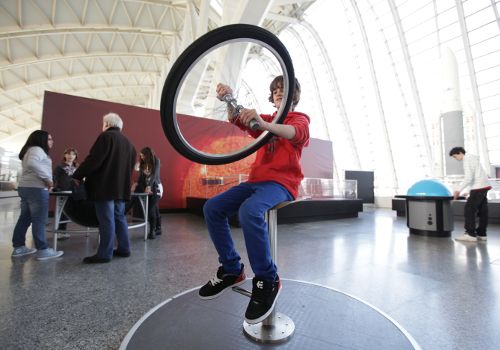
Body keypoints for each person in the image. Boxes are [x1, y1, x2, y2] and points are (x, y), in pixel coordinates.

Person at [198, 76, 310, 324]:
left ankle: (267, 279)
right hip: (255, 182)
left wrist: (263, 124)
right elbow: (237, 118)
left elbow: (295, 133)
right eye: (275, 90)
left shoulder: (298, 119)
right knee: (212, 208)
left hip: (282, 184)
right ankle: (231, 269)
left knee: (250, 211)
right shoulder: (266, 119)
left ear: (294, 96)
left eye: (284, 89)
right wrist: (228, 98)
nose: (279, 92)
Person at [73, 113, 137, 263]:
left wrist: (77, 175)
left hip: (104, 187)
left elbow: (93, 160)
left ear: (107, 124)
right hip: (121, 189)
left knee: (106, 220)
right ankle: (124, 248)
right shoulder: (130, 144)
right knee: (119, 218)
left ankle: (104, 254)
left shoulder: (105, 137)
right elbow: (130, 168)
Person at [11, 130, 64, 260]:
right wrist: (47, 179)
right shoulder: (37, 149)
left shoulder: (30, 150)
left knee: (25, 218)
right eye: (49, 139)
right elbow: (32, 164)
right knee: (39, 220)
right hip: (36, 188)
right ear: (41, 140)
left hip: (26, 187)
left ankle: (19, 248)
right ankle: (43, 250)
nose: (52, 141)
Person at [449, 147, 491, 242]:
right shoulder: (473, 158)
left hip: (478, 187)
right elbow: (476, 175)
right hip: (484, 186)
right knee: (483, 211)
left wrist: (458, 190)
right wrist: (469, 190)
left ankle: (470, 234)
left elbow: (468, 177)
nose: (456, 159)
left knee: (469, 209)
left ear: (460, 153)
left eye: (455, 156)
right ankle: (482, 234)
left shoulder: (466, 159)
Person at [131, 147, 162, 239]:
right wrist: (136, 184)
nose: (141, 157)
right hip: (146, 189)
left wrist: (149, 186)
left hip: (156, 187)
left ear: (147, 154)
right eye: (140, 156)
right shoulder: (142, 163)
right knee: (154, 207)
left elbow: (155, 175)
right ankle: (158, 228)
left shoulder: (156, 161)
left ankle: (153, 230)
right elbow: (141, 178)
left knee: (151, 208)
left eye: (142, 155)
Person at [53, 148, 79, 239]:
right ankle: (60, 232)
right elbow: (54, 177)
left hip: (73, 192)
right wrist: (53, 186)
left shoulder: (76, 167)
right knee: (62, 212)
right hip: (63, 191)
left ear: (75, 156)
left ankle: (63, 231)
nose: (70, 156)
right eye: (68, 154)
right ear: (65, 155)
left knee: (68, 211)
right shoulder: (60, 166)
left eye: (73, 154)